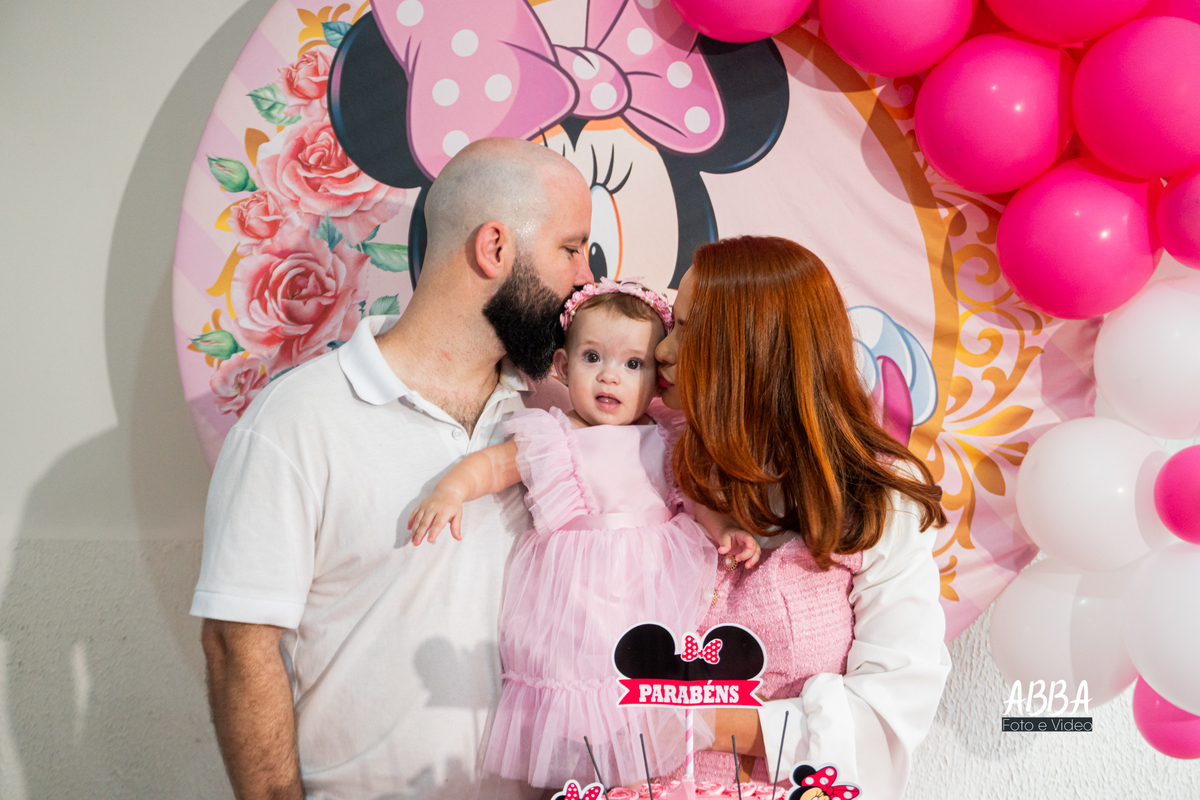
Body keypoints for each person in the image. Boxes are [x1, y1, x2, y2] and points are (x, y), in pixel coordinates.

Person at [192, 137, 596, 800]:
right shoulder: (298, 419)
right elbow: (239, 647)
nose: (587, 278)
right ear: (494, 248)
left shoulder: (556, 421)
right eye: (572, 249)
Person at [407, 280, 761, 791]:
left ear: (657, 378)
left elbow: (694, 498)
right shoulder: (554, 436)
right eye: (592, 357)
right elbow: (493, 466)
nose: (610, 376)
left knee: (646, 698)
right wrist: (451, 489)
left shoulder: (666, 434)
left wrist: (724, 527)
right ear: (561, 365)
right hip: (577, 603)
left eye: (633, 364)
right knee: (581, 696)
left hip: (650, 592)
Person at [654, 236, 952, 800]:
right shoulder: (653, 458)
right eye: (672, 324)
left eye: (689, 329)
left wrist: (701, 724)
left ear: (753, 351)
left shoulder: (877, 500)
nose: (663, 350)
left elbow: (889, 711)